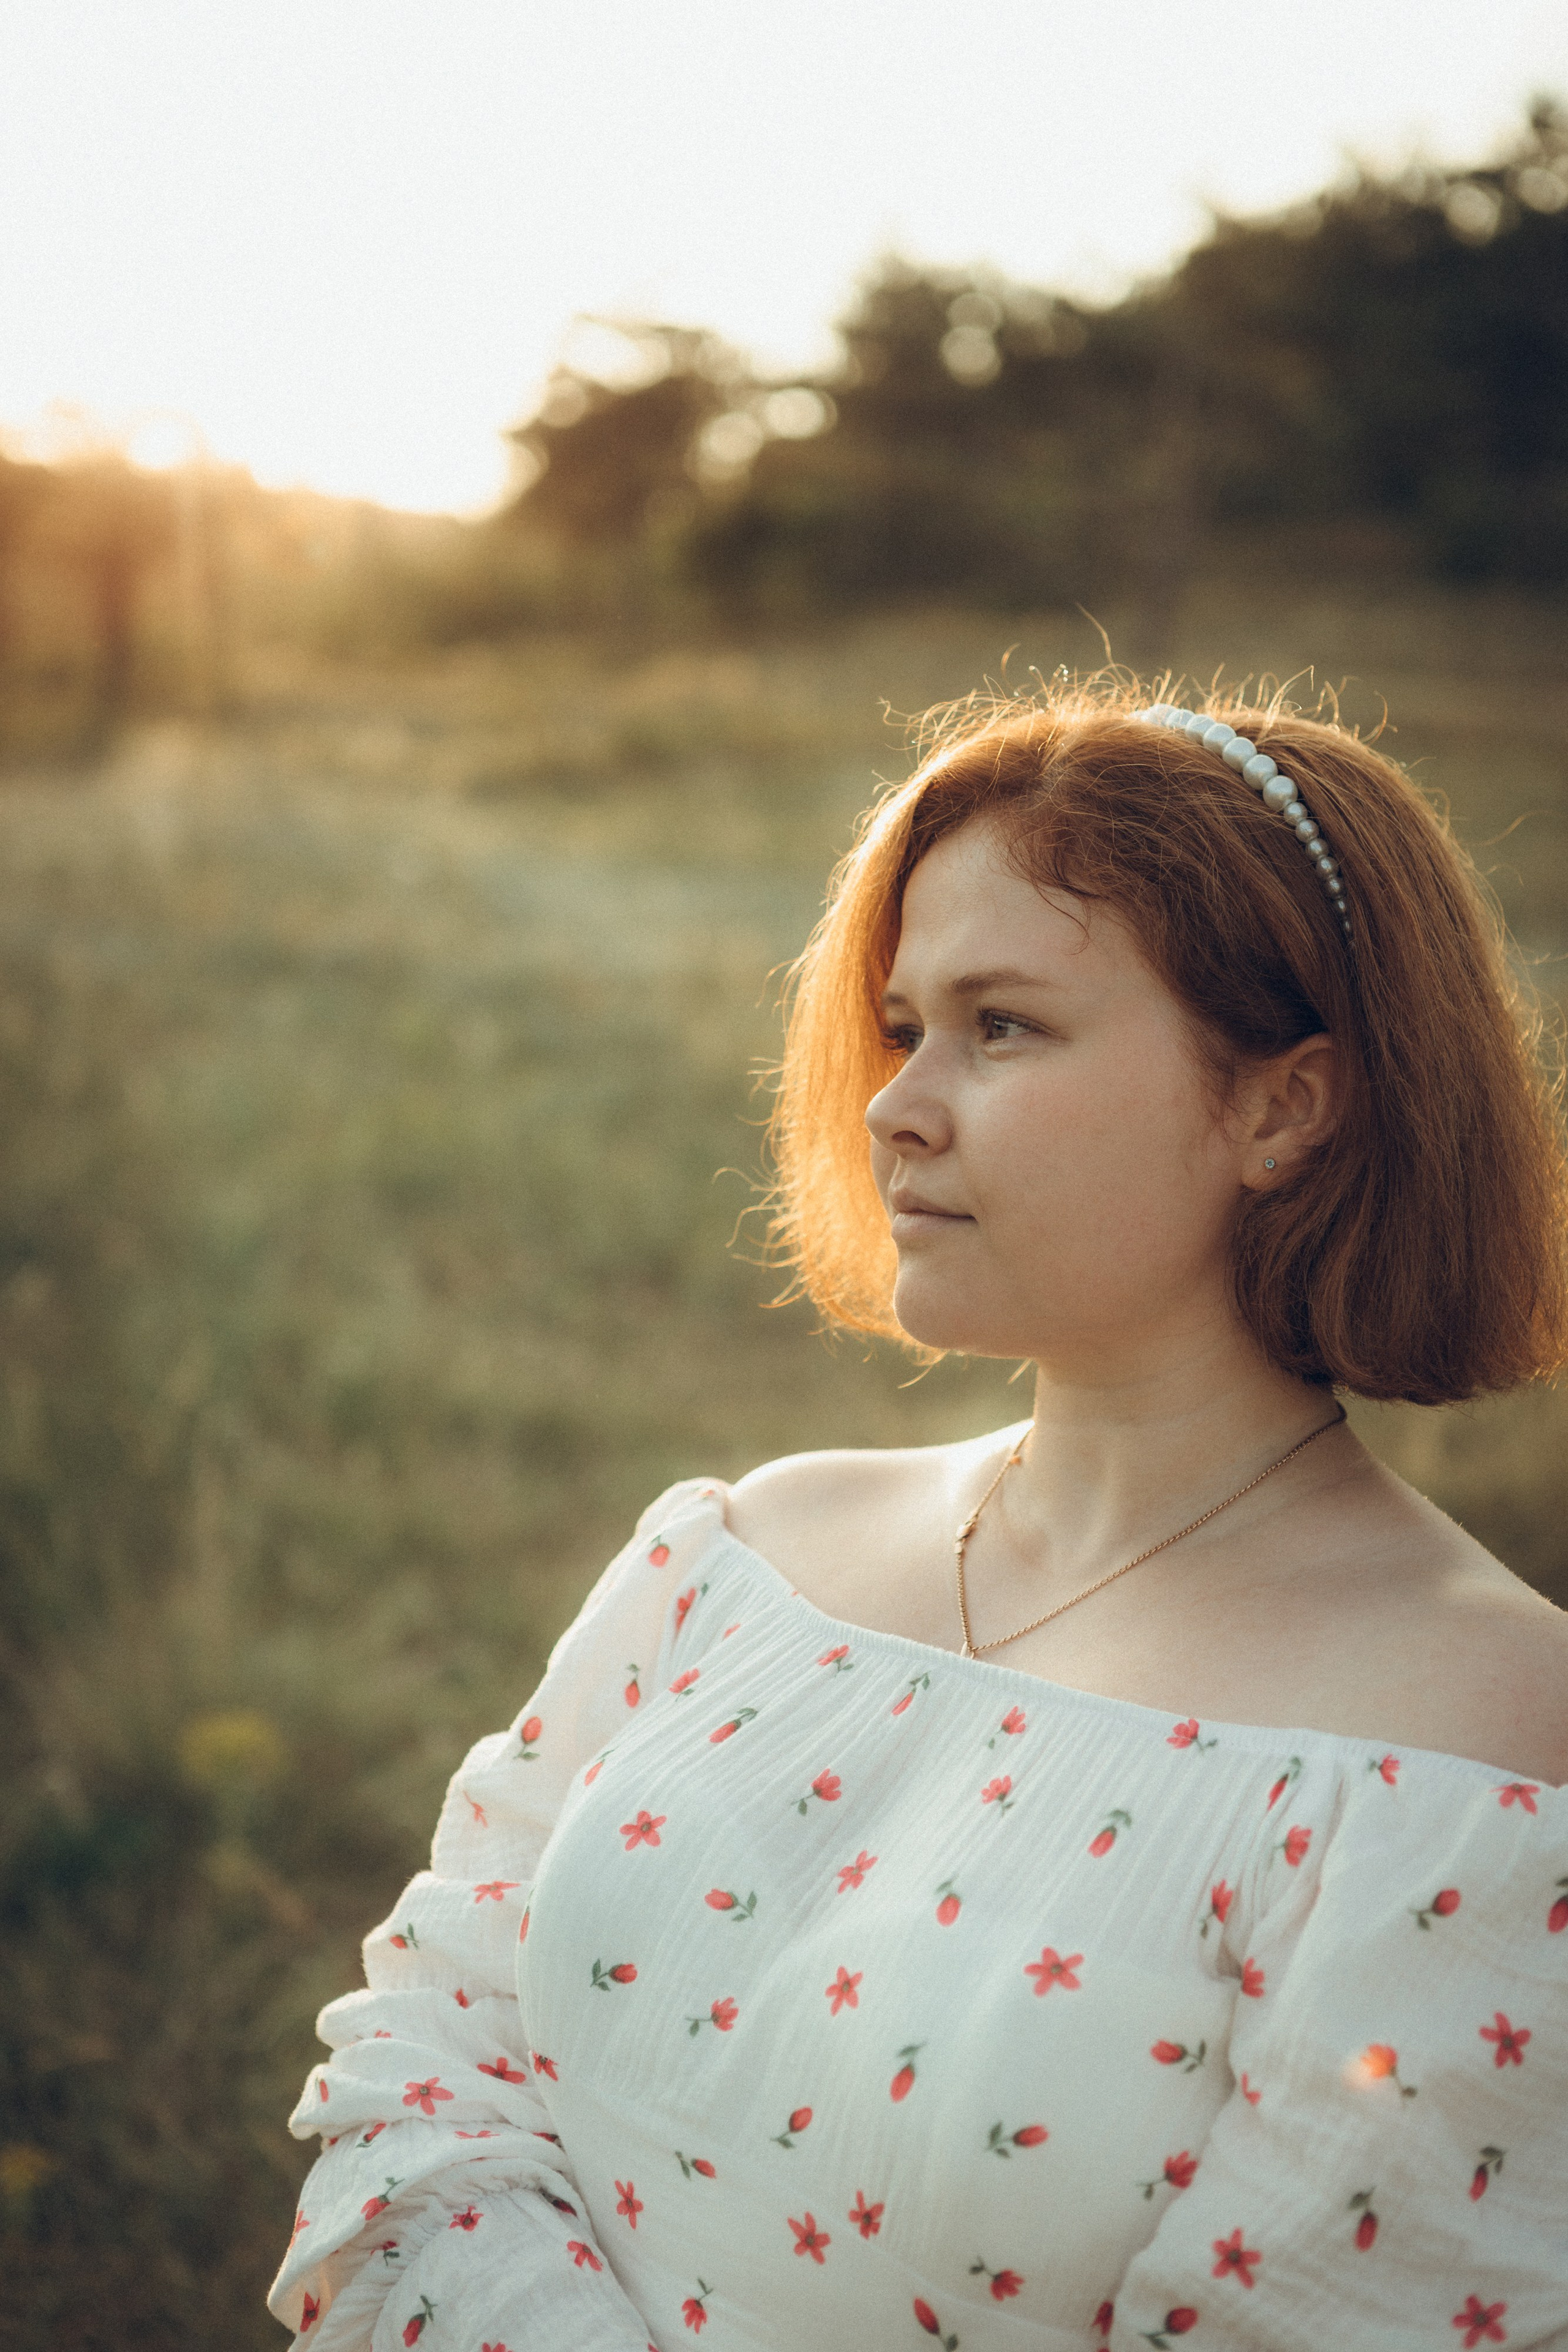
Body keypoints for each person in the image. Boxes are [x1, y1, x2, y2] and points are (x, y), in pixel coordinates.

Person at [269, 681, 1568, 2351]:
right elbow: (417, 2068)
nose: (896, 1104)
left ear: (1280, 1107)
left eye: (1003, 1026)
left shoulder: (1473, 1750)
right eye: (902, 1028)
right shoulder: (735, 1561)